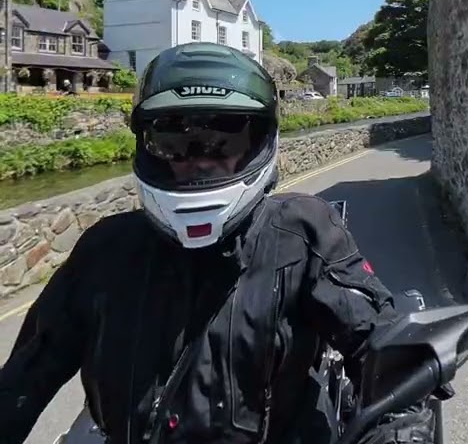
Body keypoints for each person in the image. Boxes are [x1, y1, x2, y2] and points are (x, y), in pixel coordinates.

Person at [0, 43, 433, 444]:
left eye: (225, 138)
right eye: (175, 142)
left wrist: (400, 431)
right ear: (147, 146)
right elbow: (24, 377)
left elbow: (384, 347)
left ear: (261, 143)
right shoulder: (104, 251)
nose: (201, 160)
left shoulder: (303, 232)